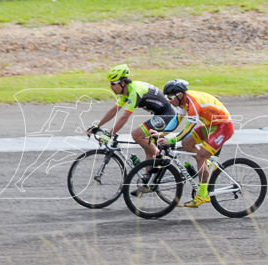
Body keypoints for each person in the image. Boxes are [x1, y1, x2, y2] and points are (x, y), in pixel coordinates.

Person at [87, 64, 180, 181]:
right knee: (147, 146)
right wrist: (97, 125)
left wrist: (110, 134)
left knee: (137, 134)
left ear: (123, 83)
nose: (111, 87)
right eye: (110, 83)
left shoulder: (135, 91)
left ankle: (161, 156)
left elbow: (125, 117)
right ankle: (148, 180)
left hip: (168, 115)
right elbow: (114, 111)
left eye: (113, 84)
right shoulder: (126, 91)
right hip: (161, 115)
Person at [156, 79, 235, 208]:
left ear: (179, 95)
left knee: (200, 157)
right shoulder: (183, 102)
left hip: (223, 127)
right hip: (211, 125)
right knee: (187, 144)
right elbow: (177, 120)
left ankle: (203, 195)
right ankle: (206, 163)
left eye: (170, 97)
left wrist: (171, 140)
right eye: (167, 97)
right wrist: (162, 134)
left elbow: (188, 128)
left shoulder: (193, 103)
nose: (169, 101)